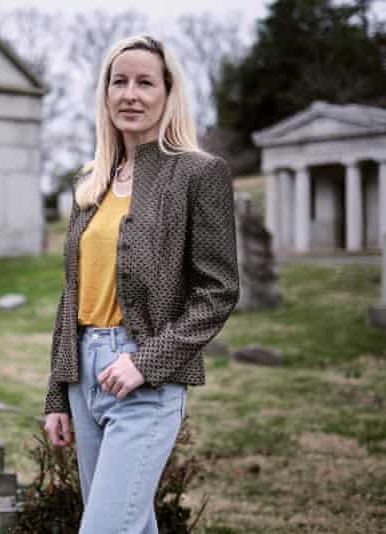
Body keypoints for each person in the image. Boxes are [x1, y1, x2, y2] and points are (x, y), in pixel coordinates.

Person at [42, 35, 239, 533]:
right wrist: (57, 394)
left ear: (168, 93)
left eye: (145, 82)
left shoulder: (199, 173)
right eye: (119, 81)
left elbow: (218, 291)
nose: (130, 94)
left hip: (146, 379)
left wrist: (144, 362)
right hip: (84, 376)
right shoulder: (90, 184)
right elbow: (73, 297)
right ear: (105, 94)